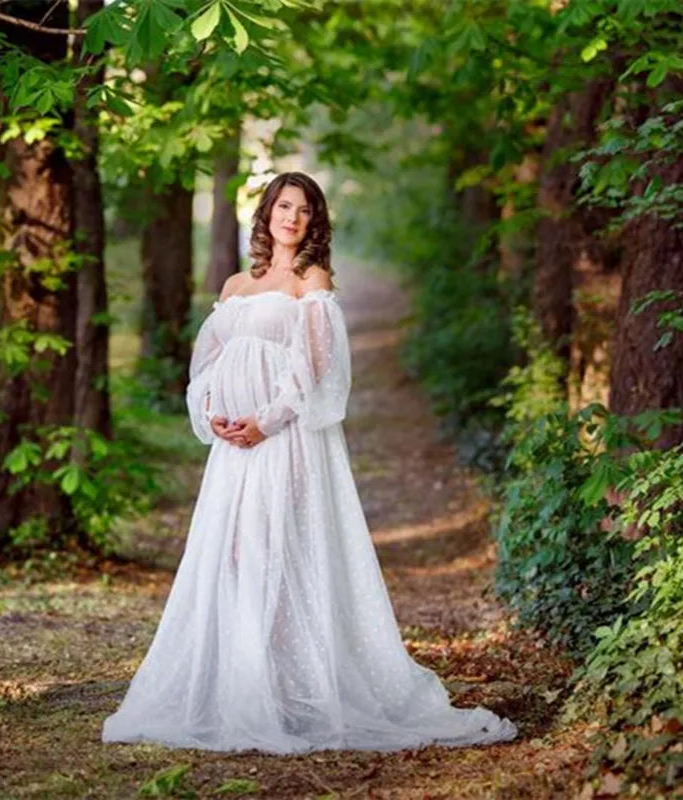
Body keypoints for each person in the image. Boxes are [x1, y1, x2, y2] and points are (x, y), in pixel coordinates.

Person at [102, 172, 518, 753]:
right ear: (267, 213)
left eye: (303, 210)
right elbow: (207, 361)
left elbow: (318, 370)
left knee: (279, 546)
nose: (291, 218)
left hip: (283, 442)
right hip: (233, 450)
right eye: (283, 206)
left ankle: (292, 689)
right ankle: (245, 684)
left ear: (313, 222)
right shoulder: (234, 284)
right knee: (236, 553)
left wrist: (265, 421)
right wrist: (215, 410)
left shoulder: (311, 281)